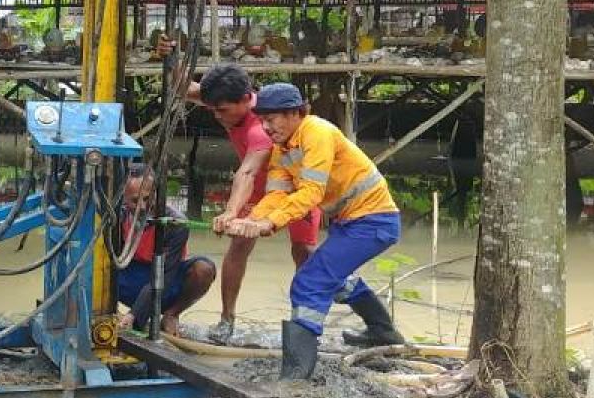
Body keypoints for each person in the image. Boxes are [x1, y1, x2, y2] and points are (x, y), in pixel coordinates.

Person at [227, 82, 405, 380]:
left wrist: (268, 223)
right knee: (332, 279)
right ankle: (382, 332)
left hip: (374, 221)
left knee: (309, 282)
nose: (266, 128)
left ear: (296, 113)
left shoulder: (317, 132)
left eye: (271, 119)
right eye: (262, 121)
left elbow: (310, 195)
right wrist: (250, 220)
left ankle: (296, 376)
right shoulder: (283, 148)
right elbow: (276, 195)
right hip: (352, 222)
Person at [186, 64, 321, 345]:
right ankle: (226, 320)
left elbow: (246, 172)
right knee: (238, 245)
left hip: (295, 189)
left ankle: (304, 325)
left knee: (305, 252)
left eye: (221, 110)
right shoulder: (224, 99)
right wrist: (170, 57)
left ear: (246, 100)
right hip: (259, 192)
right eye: (211, 108)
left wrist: (231, 211)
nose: (216, 116)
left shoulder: (260, 130)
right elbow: (182, 88)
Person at [117, 167, 216, 335]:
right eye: (135, 201)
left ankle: (171, 314)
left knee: (204, 269)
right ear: (124, 198)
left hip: (163, 278)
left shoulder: (176, 223)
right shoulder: (117, 216)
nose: (142, 207)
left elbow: (164, 275)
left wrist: (134, 314)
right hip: (130, 277)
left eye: (147, 199)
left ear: (156, 193)